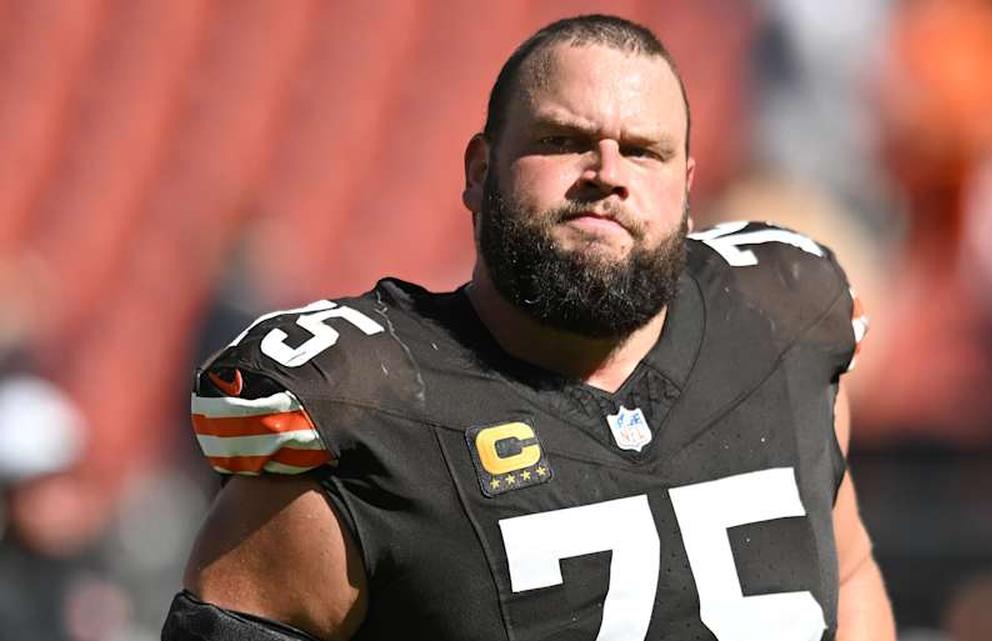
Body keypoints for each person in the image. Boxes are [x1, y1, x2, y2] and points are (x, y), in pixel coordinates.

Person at [163, 14, 895, 641]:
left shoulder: (779, 327)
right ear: (480, 170)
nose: (608, 173)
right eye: (565, 139)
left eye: (644, 151)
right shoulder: (374, 414)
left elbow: (849, 568)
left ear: (686, 186)